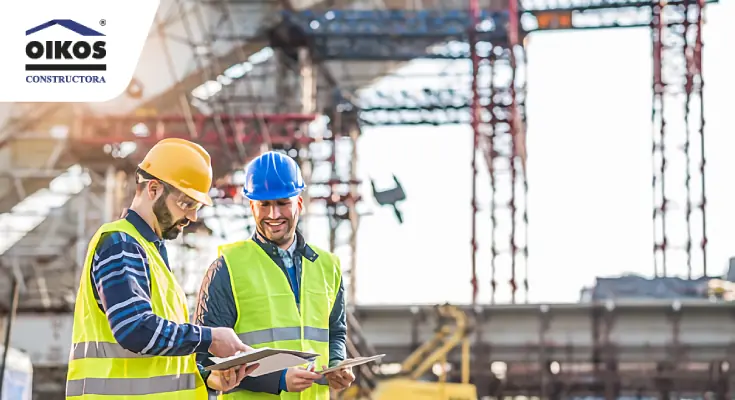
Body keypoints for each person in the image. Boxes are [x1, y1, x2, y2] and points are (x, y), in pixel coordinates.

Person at [66, 138, 257, 399]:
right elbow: (134, 329)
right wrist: (209, 338)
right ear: (153, 189)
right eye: (186, 204)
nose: (192, 217)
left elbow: (156, 363)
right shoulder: (121, 243)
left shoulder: (149, 251)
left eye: (197, 207)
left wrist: (208, 378)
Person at [194, 151, 355, 399]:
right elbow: (207, 359)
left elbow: (336, 331)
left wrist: (337, 363)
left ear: (299, 204)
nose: (273, 215)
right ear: (252, 207)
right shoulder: (228, 267)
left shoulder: (328, 265)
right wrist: (277, 380)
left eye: (282, 203)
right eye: (264, 205)